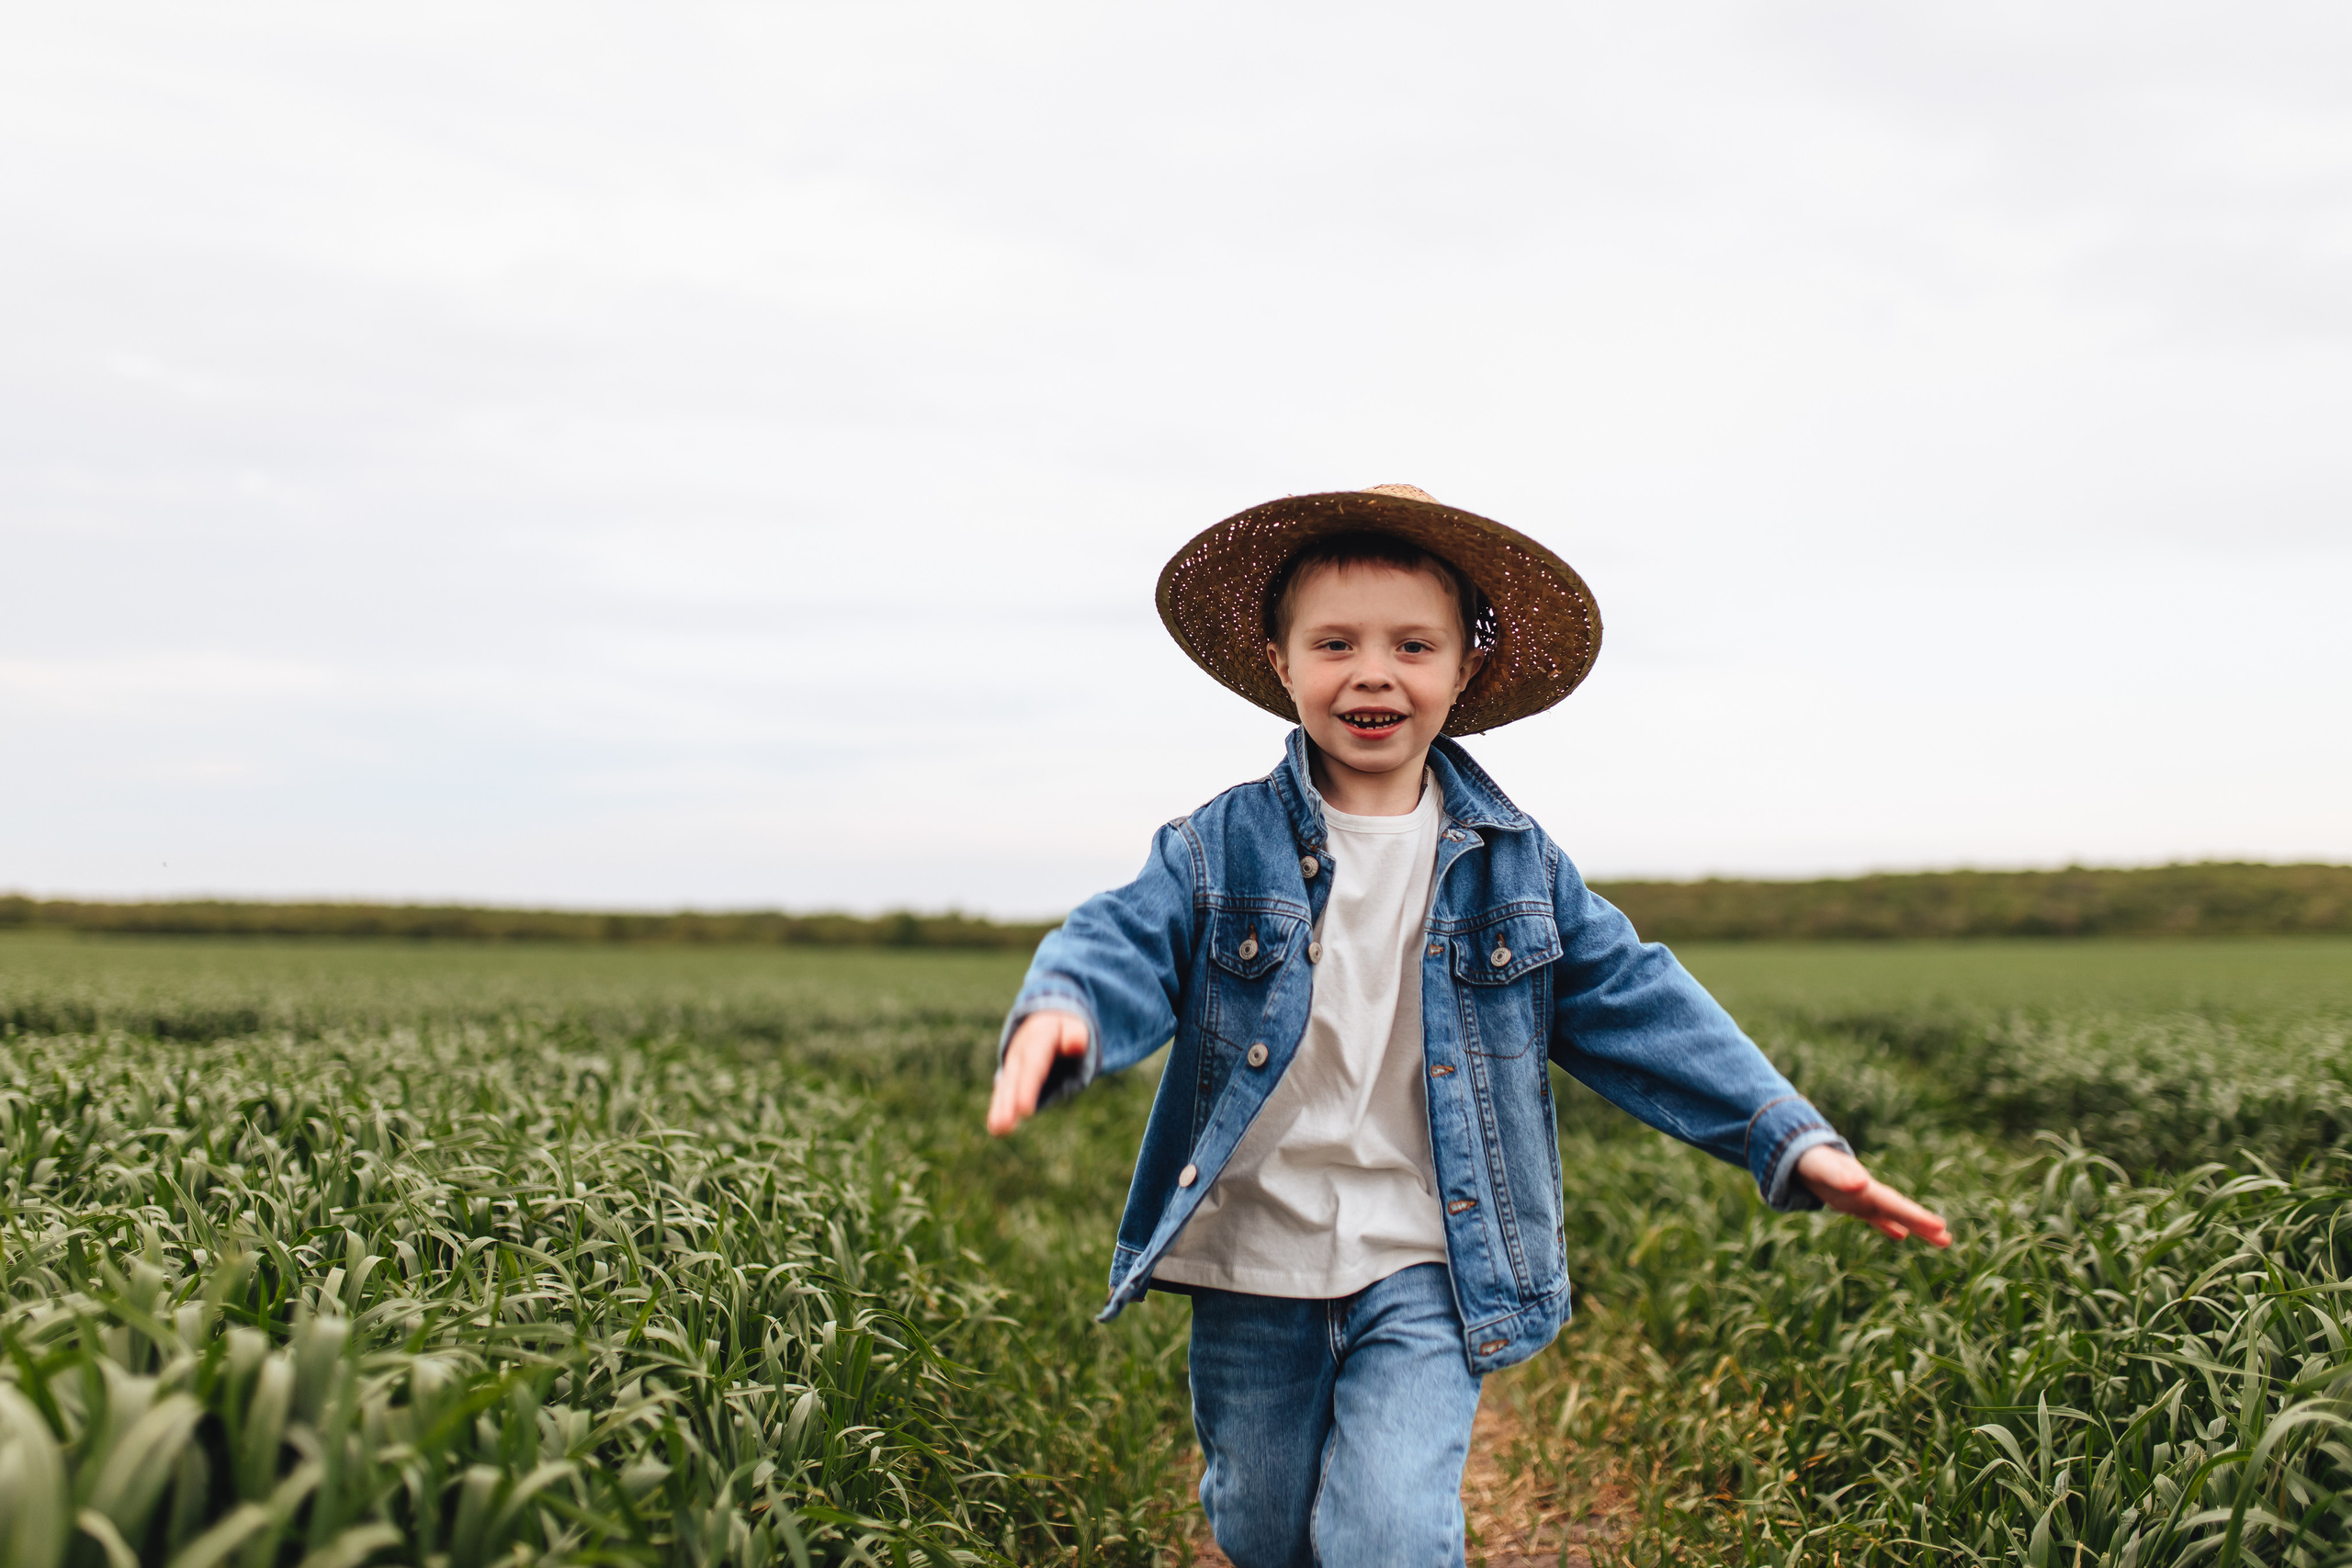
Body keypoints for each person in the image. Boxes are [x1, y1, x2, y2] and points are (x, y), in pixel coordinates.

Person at [986, 485, 1950, 1568]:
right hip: (1255, 1256)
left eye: (1412, 644)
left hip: (1434, 1254)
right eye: (1335, 642)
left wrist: (1789, 1137)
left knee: (1385, 1536)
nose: (1373, 673)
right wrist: (1068, 1009)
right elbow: (1124, 934)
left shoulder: (1518, 865)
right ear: (1278, 658)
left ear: (1464, 666)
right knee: (1260, 1527)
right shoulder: (1219, 847)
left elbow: (1638, 1000)